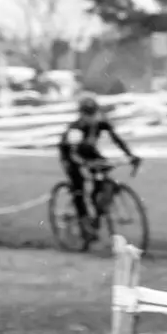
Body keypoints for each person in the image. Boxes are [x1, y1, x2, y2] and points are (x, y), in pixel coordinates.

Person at [57, 95, 140, 240]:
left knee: (102, 180)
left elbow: (116, 139)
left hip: (89, 152)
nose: (91, 117)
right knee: (79, 186)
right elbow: (73, 152)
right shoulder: (76, 129)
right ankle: (84, 223)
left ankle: (97, 212)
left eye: (93, 113)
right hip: (70, 155)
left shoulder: (101, 123)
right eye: (88, 114)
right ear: (81, 114)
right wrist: (83, 164)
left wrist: (130, 155)